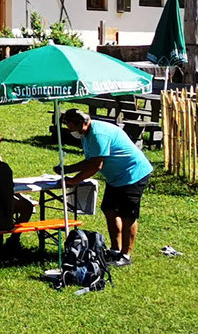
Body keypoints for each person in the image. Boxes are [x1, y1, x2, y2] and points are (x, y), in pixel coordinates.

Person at [58, 108, 153, 265]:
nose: (67, 128)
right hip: (115, 178)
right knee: (109, 209)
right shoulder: (85, 134)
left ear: (81, 123)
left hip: (133, 173)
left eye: (69, 124)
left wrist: (74, 179)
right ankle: (115, 249)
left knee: (127, 214)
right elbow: (90, 160)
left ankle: (125, 255)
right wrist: (67, 170)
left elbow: (96, 165)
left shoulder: (98, 134)